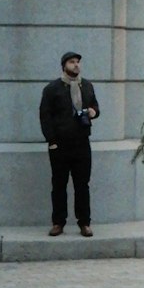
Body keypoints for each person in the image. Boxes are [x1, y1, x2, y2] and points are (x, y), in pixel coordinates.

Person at [39, 51, 99, 237]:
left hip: (82, 143)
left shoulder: (87, 86)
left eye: (78, 62)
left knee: (82, 185)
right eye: (72, 62)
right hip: (60, 145)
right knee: (59, 185)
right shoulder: (52, 88)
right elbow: (45, 116)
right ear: (64, 65)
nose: (76, 65)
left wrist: (93, 112)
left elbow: (96, 107)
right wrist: (52, 141)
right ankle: (58, 222)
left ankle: (84, 223)